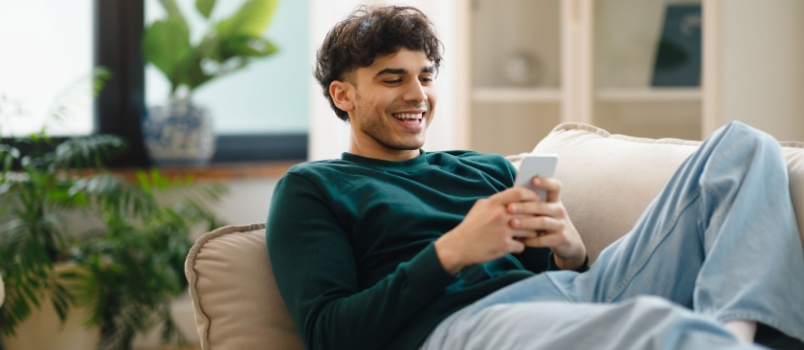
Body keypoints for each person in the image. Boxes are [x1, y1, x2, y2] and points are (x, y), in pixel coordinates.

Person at [266, 5, 804, 350]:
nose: (417, 94)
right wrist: (453, 250)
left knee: (744, 146)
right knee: (659, 328)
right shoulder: (314, 188)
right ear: (344, 95)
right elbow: (330, 333)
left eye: (425, 77)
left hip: (567, 292)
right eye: (392, 79)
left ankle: (735, 334)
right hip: (465, 328)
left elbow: (539, 273)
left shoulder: (484, 168)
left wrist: (570, 250)